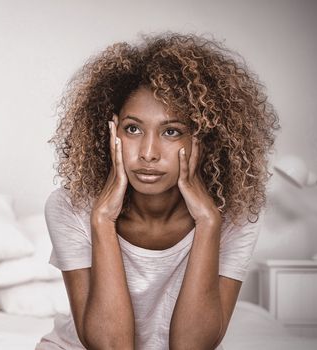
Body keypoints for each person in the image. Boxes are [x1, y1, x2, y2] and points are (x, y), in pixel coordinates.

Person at [37, 33, 279, 349]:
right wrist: (102, 222)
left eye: (171, 132)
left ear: (203, 139)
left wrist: (208, 223)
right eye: (133, 129)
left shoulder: (236, 215)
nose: (148, 152)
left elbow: (192, 347)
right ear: (112, 132)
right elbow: (110, 347)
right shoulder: (70, 207)